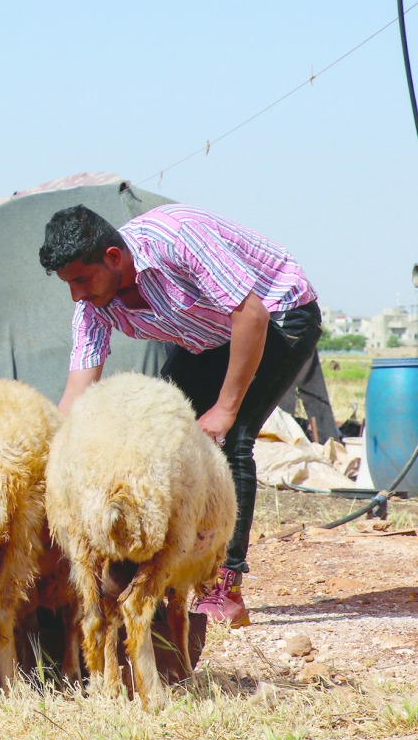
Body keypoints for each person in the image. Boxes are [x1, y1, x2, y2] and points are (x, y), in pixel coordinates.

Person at [38, 203, 321, 627]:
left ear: (114, 258)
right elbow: (77, 393)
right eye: (68, 284)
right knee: (159, 431)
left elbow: (251, 315)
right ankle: (166, 570)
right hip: (207, 337)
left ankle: (224, 588)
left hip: (277, 316)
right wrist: (49, 470)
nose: (77, 294)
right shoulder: (92, 305)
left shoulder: (178, 239)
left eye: (80, 279)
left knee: (231, 437)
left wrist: (224, 411)